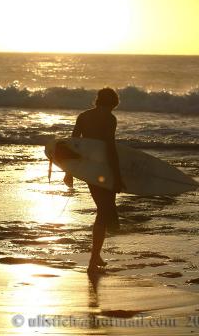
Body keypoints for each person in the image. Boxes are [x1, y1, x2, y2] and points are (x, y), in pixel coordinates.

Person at [64, 88, 124, 273]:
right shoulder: (110, 119)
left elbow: (73, 145)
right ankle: (92, 261)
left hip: (89, 170)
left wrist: (69, 172)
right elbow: (110, 148)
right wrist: (118, 176)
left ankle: (96, 255)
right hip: (104, 169)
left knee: (103, 211)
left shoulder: (83, 116)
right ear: (114, 103)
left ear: (98, 100)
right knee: (104, 212)